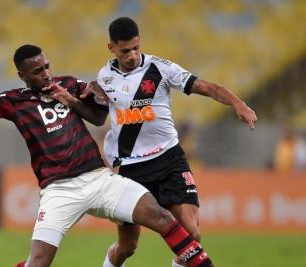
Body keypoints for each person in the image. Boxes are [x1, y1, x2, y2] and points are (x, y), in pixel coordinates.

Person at [0, 31, 214, 267]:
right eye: (37, 71)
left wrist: (89, 94)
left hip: (99, 179)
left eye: (47, 66)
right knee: (38, 262)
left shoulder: (67, 84)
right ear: (22, 75)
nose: (46, 74)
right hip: (59, 191)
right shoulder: (13, 101)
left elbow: (98, 114)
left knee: (163, 218)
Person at [89, 17, 257, 267]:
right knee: (127, 247)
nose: (133, 55)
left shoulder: (161, 69)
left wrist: (238, 103)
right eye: (125, 51)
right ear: (111, 48)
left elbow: (208, 87)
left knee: (192, 236)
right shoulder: (105, 77)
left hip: (169, 160)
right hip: (130, 169)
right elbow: (97, 114)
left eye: (136, 47)